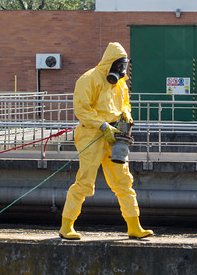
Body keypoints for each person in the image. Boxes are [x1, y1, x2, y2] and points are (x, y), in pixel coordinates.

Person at [58, 42, 153, 240]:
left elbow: (125, 102)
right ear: (110, 63)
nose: (121, 70)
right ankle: (66, 225)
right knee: (84, 181)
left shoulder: (119, 82)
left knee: (123, 181)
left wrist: (126, 113)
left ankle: (134, 226)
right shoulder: (89, 79)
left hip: (115, 134)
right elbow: (82, 110)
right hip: (91, 134)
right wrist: (103, 126)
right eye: (119, 65)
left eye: (124, 66)